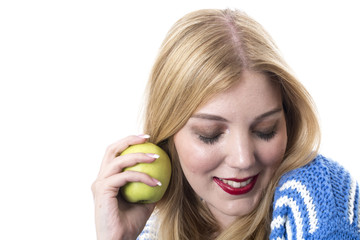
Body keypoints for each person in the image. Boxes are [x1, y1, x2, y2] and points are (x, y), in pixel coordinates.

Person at [91, 9, 360, 239]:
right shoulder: (157, 229)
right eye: (210, 135)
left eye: (265, 131)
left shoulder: (318, 197)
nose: (243, 159)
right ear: (168, 136)